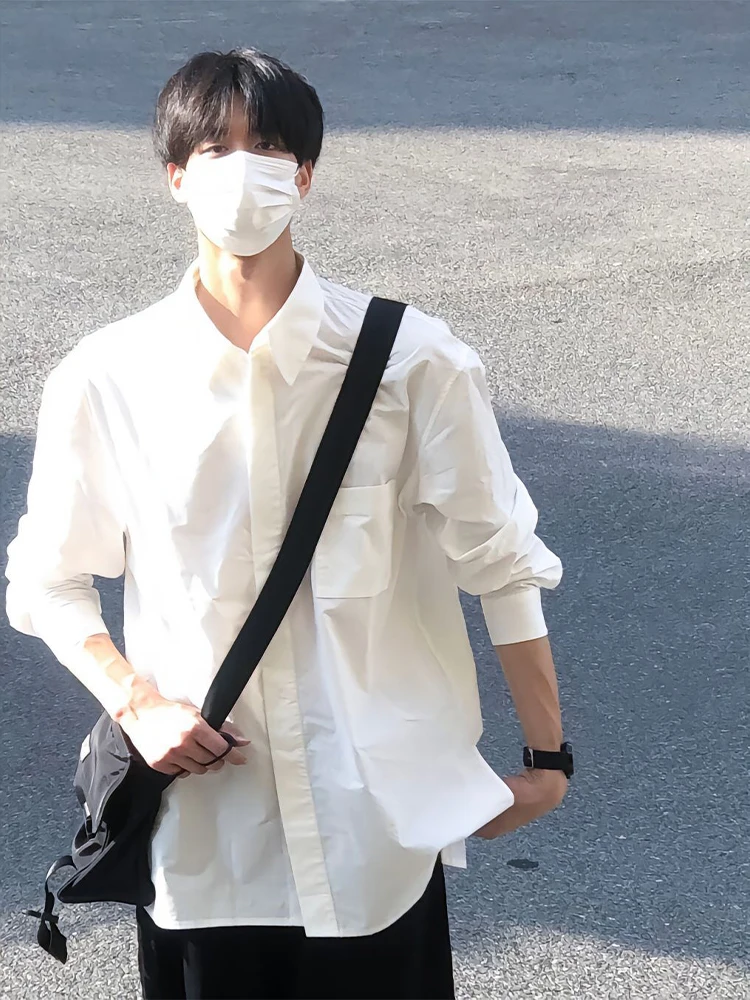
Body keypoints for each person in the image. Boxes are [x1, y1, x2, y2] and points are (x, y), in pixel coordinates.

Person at [5, 47, 571, 1000]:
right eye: (214, 148)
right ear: (175, 176)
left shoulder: (413, 362)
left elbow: (503, 562)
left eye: (268, 147)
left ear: (304, 175)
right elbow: (45, 579)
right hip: (205, 843)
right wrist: (136, 703)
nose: (245, 169)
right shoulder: (109, 377)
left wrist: (548, 761)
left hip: (373, 842)